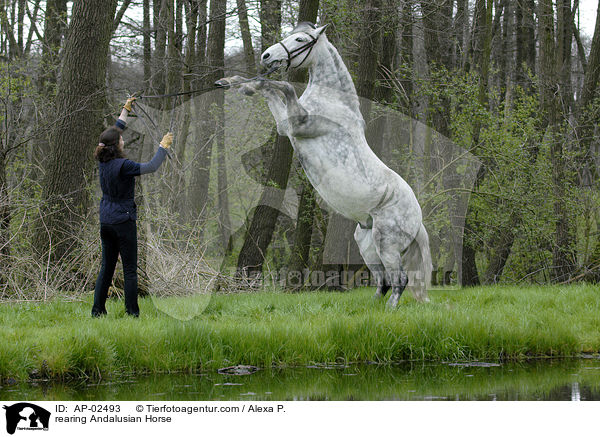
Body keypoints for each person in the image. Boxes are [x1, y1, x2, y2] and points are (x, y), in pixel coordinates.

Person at [91, 97, 173, 317]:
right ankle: (132, 314)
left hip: (106, 220)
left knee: (106, 268)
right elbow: (152, 166)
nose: (123, 141)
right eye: (121, 140)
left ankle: (97, 311)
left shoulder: (103, 160)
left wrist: (125, 110)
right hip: (123, 221)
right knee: (129, 270)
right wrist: (162, 147)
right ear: (117, 145)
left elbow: (115, 130)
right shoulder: (124, 165)